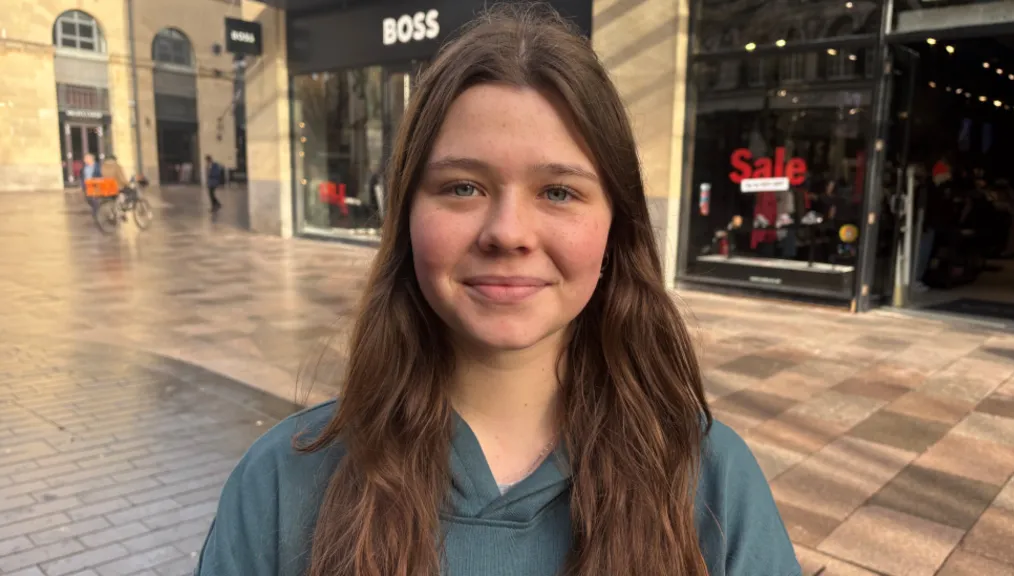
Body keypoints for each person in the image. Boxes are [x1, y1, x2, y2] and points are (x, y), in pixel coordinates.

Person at [195, 5, 800, 576]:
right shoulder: (282, 483)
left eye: (559, 191)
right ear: (406, 217)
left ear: (617, 227)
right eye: (462, 187)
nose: (507, 233)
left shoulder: (713, 485)